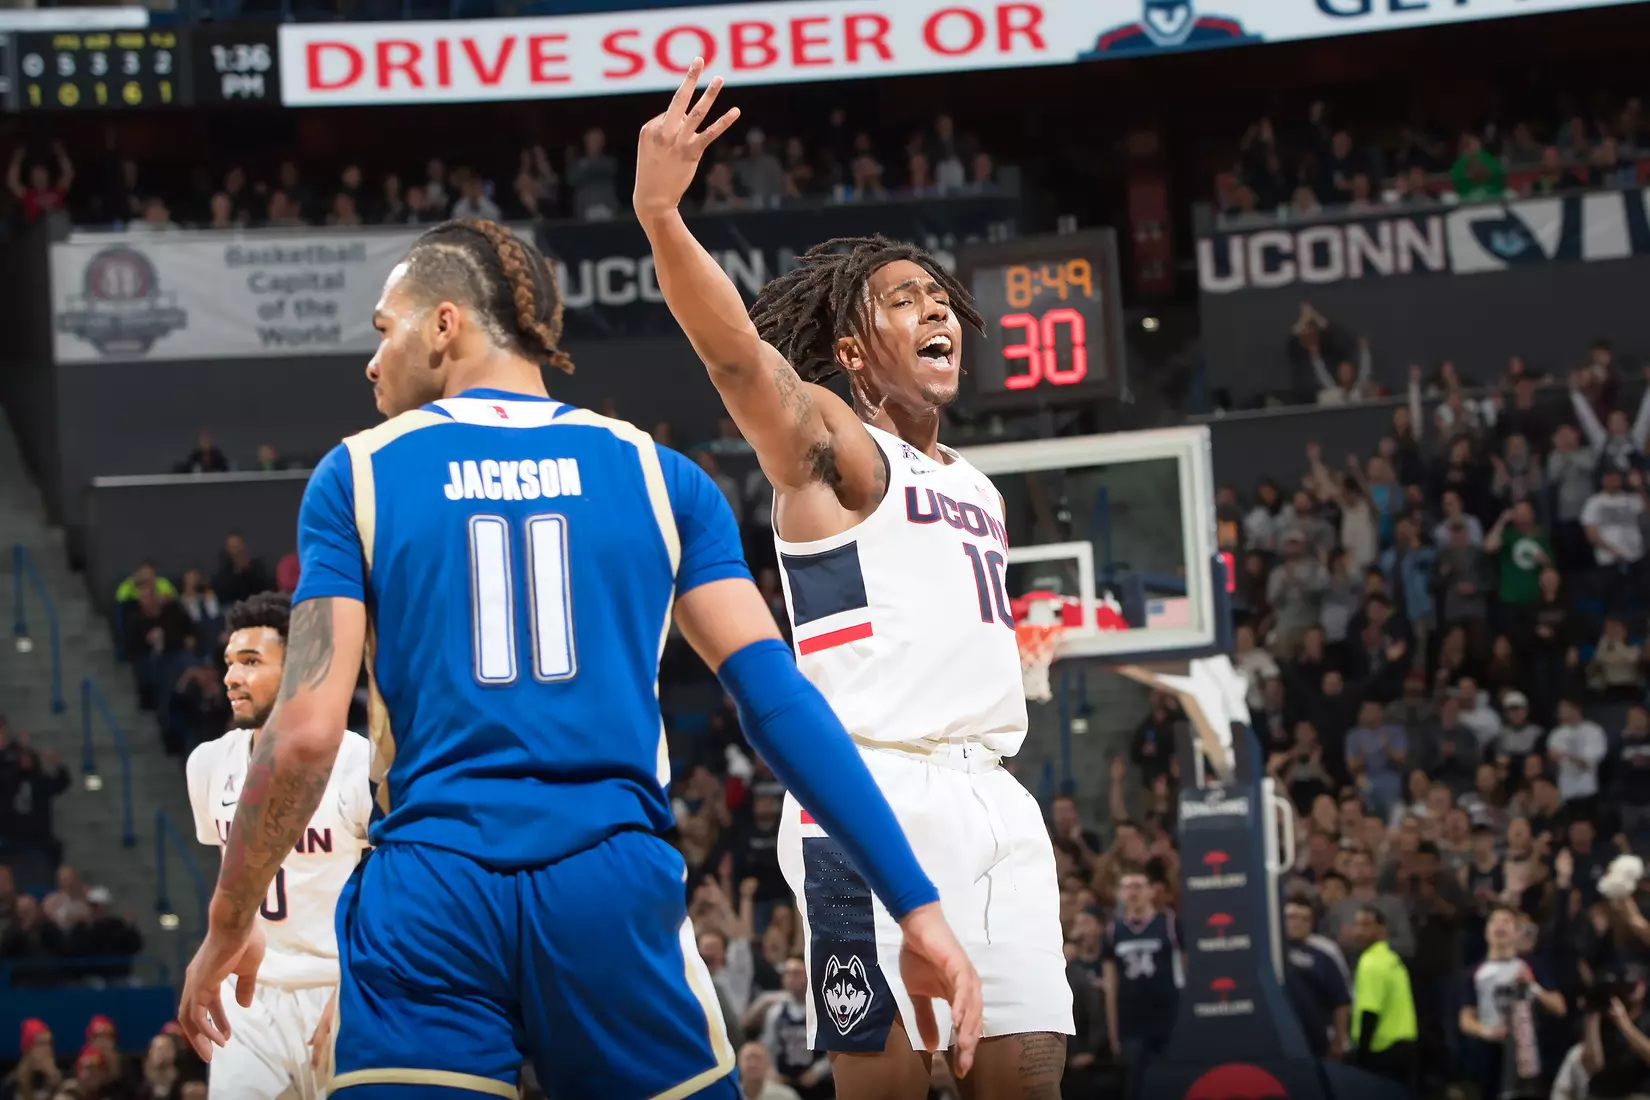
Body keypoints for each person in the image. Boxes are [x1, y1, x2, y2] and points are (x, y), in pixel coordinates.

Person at [175, 215, 982, 1098]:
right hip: (612, 890)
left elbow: (301, 737)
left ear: (445, 324)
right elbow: (779, 704)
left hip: (432, 895)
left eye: (384, 329)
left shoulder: (357, 474)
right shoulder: (657, 473)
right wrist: (916, 905)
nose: (374, 361)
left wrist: (229, 917)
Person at [635, 61, 1070, 1096]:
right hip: (866, 797)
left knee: (1032, 1079)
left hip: (995, 796)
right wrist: (660, 215)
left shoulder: (979, 484)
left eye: (941, 298)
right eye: (903, 299)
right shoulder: (839, 442)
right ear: (852, 352)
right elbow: (740, 361)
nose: (938, 311)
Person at [184, 592, 372, 1099]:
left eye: (250, 662)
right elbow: (226, 874)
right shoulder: (206, 764)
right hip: (249, 997)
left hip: (340, 988)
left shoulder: (358, 762)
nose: (231, 678)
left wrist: (356, 990)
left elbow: (390, 889)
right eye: (228, 663)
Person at [1458, 903, 1566, 1100]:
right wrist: (1485, 1031)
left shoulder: (1530, 967)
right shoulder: (1473, 973)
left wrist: (1533, 987)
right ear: (1486, 932)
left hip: (1527, 1054)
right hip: (1490, 1056)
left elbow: (1559, 1007)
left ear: (1516, 933)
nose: (1499, 925)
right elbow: (1465, 1019)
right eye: (1494, 921)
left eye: (1506, 921)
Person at [1101, 869, 1183, 1075]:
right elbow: (1111, 987)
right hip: (1131, 1024)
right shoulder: (1112, 931)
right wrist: (1113, 1033)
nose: (1132, 892)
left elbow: (1186, 975)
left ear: (1150, 891)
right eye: (1127, 887)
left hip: (1168, 1020)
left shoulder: (1170, 924)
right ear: (1120, 894)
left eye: (1138, 886)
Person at [1350, 905, 1418, 1085]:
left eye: (1366, 925)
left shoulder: (1370, 962)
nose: (1360, 931)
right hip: (1404, 1044)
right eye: (1357, 925)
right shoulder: (1393, 959)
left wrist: (1361, 1056)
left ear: (1382, 929)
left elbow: (1370, 1011)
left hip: (1381, 1048)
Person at [1283, 898, 1351, 1059]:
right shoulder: (1269, 951)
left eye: (1305, 919)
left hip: (1316, 1037)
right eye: (1292, 917)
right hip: (1279, 1034)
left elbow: (1341, 1001)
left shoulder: (1324, 955)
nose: (1298, 923)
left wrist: (1340, 1039)